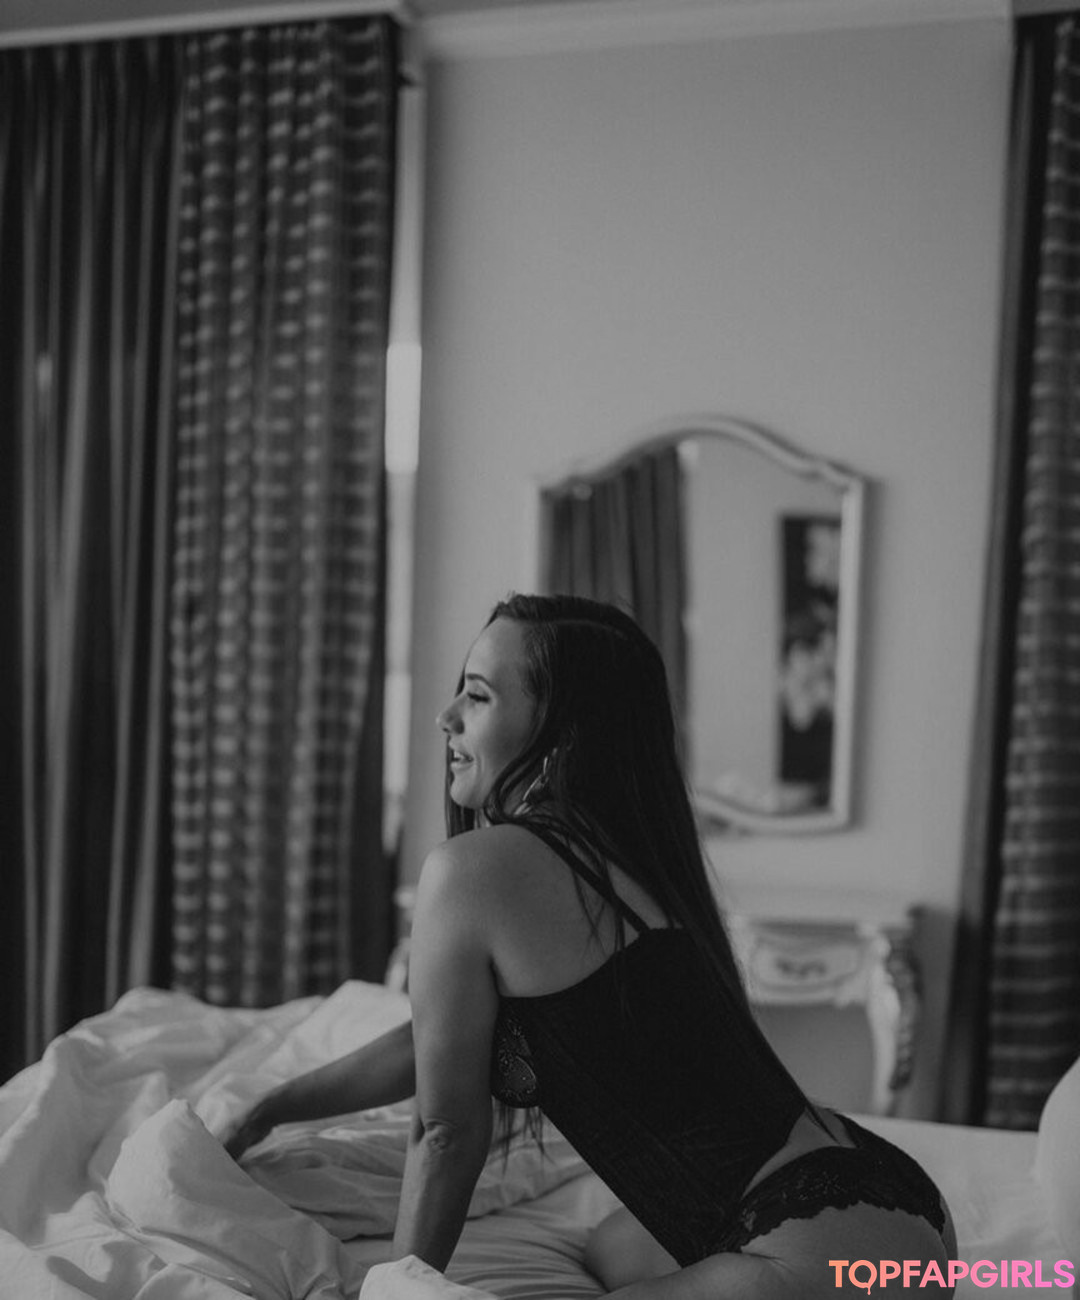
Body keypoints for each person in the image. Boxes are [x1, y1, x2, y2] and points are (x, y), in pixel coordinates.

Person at [223, 593, 956, 1297]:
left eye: (477, 696)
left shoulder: (473, 872)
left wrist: (395, 1292)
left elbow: (443, 1132)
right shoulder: (642, 854)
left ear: (560, 732)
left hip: (814, 1250)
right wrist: (275, 1106)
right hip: (893, 1209)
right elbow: (433, 1042)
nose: (447, 717)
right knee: (609, 1248)